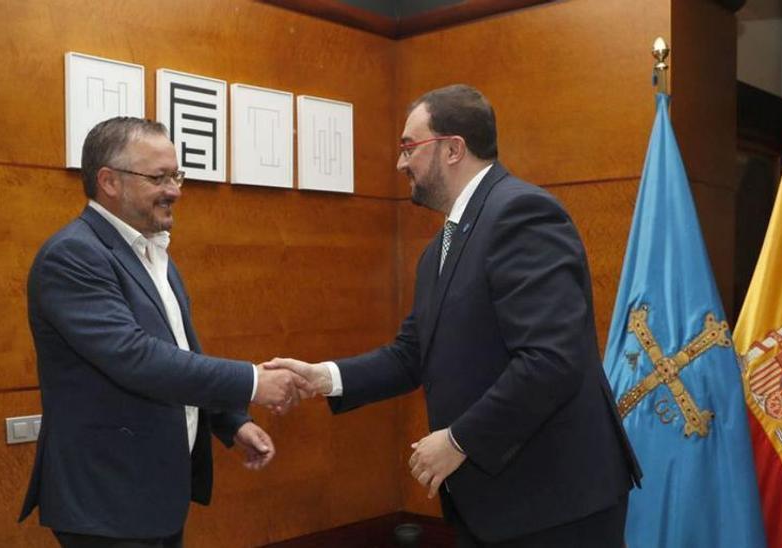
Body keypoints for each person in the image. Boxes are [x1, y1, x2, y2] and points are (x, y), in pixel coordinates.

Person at [269, 85, 642, 547]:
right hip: (491, 506)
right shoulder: (438, 251)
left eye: (409, 147)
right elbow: (412, 354)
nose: (400, 163)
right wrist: (324, 378)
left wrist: (460, 440)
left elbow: (551, 360)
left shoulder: (522, 213)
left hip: (555, 505)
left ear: (452, 149)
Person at [18, 117, 301, 547]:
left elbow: (181, 351)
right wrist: (254, 382)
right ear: (109, 181)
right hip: (107, 499)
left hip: (153, 492)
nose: (175, 190)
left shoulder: (151, 251)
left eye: (177, 175)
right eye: (159, 177)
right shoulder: (73, 255)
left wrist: (230, 422)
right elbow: (137, 357)